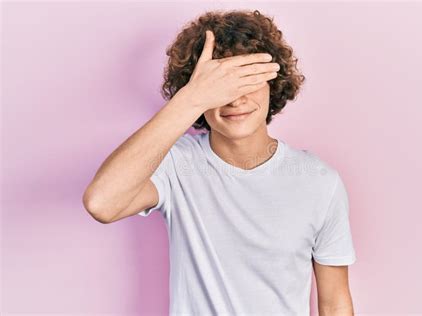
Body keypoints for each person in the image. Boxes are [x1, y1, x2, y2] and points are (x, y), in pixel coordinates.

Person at [83, 9, 357, 315]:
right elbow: (101, 203)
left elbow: (334, 302)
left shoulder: (319, 182)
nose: (235, 99)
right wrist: (191, 99)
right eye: (220, 86)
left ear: (273, 82)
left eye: (246, 79)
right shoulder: (176, 165)